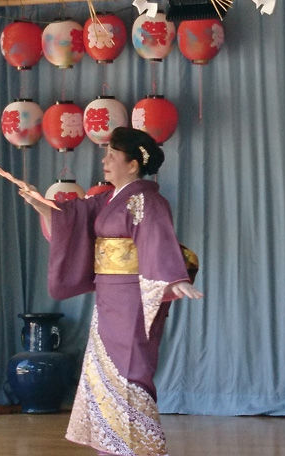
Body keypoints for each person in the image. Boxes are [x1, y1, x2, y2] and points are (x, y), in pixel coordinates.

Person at [19, 127, 203, 456]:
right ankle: (112, 445)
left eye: (112, 156)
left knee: (131, 370)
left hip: (133, 296)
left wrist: (173, 278)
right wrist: (39, 202)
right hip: (108, 295)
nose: (104, 162)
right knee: (105, 369)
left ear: (132, 165)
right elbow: (71, 217)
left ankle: (139, 447)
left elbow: (157, 241)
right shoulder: (108, 199)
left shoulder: (147, 200)